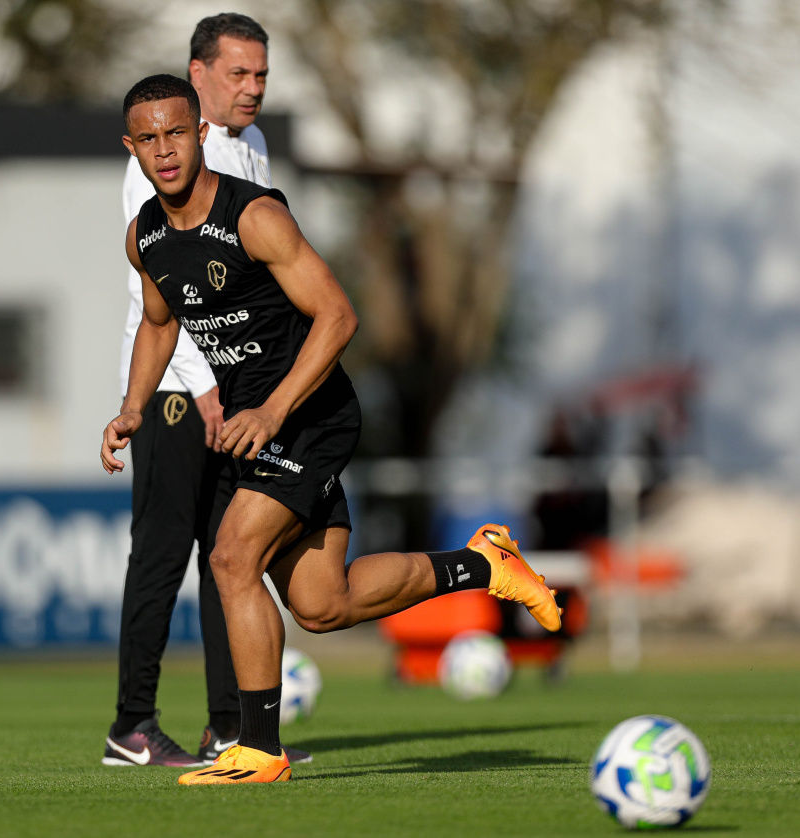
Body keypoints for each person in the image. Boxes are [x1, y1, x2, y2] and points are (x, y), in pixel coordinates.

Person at [101, 74, 562, 785]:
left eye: (175, 133)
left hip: (308, 414)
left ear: (198, 133)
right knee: (323, 604)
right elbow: (160, 325)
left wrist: (273, 409)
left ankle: (256, 748)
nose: (164, 150)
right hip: (259, 427)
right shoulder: (147, 237)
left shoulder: (252, 216)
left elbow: (338, 316)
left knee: (229, 559)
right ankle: (485, 564)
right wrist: (133, 406)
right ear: (130, 147)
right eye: (148, 138)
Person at [103, 13, 309, 769]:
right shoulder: (157, 158)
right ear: (198, 76)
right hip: (176, 390)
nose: (252, 88)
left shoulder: (248, 146)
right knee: (161, 555)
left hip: (237, 385)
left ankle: (232, 729)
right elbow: (162, 289)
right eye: (237, 74)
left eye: (261, 74)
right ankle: (130, 726)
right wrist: (202, 385)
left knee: (234, 554)